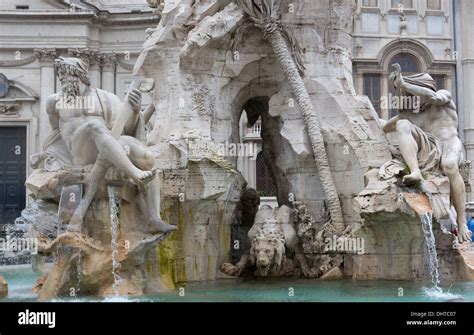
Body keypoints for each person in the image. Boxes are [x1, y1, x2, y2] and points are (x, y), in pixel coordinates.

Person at [382, 63, 471, 243]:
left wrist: (403, 84)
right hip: (430, 148)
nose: (413, 98)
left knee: (449, 165)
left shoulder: (443, 96)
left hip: (449, 144)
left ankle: (462, 222)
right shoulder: (411, 114)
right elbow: (384, 127)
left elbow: (432, 96)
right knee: (402, 124)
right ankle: (415, 171)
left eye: (415, 94)